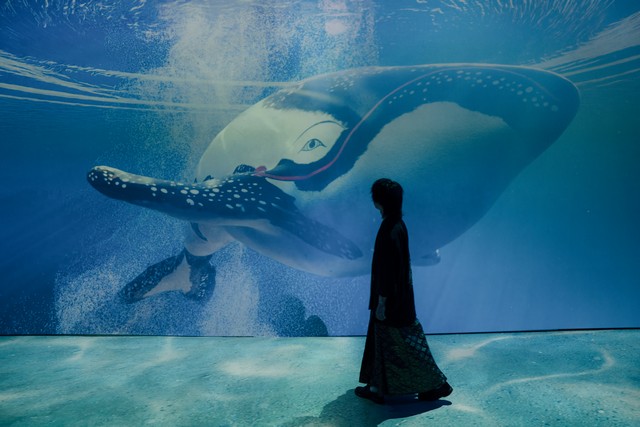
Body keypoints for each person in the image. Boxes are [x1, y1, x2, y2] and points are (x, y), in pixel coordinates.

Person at [355, 178, 452, 404]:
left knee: (404, 341)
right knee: (391, 342)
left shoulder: (390, 229)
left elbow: (388, 270)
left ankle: (437, 385)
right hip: (400, 296)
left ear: (378, 201)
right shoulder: (397, 224)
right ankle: (378, 387)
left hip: (391, 299)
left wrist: (382, 302)